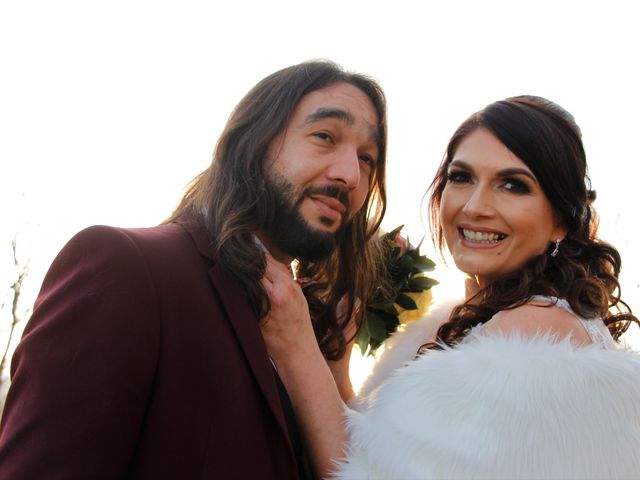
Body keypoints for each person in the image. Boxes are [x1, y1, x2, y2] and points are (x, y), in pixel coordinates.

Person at [0, 60, 389, 479]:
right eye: (325, 136)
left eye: (367, 160)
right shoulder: (122, 266)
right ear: (254, 140)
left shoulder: (306, 333)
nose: (351, 174)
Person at [260, 95, 640, 479]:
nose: (475, 206)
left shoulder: (534, 334)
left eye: (512, 185)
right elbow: (376, 450)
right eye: (462, 177)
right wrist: (336, 371)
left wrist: (296, 347)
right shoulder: (470, 320)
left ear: (561, 220)